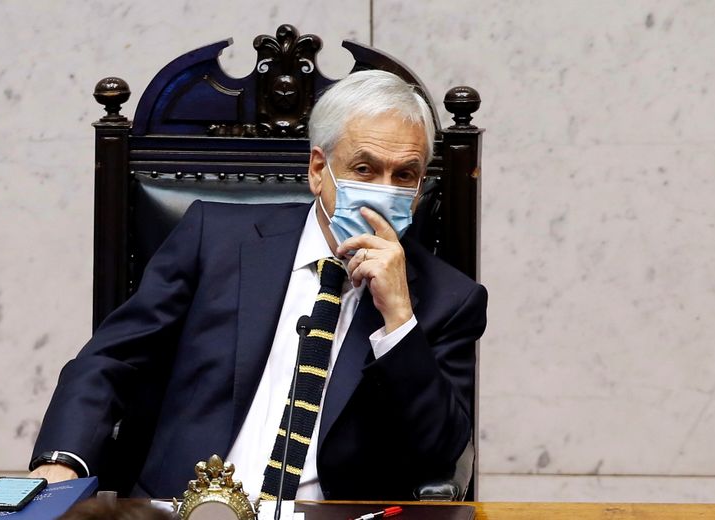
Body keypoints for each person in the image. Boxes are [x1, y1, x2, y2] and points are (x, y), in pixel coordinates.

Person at [30, 70, 488, 501]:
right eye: (364, 169)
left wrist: (398, 320)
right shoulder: (215, 239)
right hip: (188, 505)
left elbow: (441, 454)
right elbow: (112, 358)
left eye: (404, 174)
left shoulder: (448, 301)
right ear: (317, 170)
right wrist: (61, 461)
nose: (383, 190)